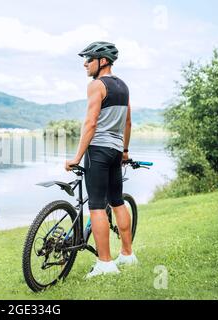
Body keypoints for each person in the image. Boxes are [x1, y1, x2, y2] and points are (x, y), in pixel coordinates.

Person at [65, 41, 138, 278]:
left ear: (102, 61)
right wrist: (124, 151)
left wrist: (77, 156)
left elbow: (91, 122)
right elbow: (127, 122)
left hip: (97, 151)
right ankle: (127, 254)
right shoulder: (123, 86)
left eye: (89, 59)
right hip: (116, 151)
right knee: (117, 201)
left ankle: (105, 263)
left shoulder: (97, 85)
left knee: (96, 206)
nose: (85, 64)